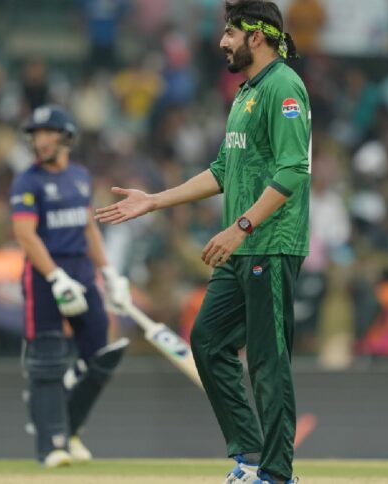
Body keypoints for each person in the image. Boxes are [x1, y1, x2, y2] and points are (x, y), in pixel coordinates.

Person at [96, 2, 309, 483]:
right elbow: (222, 170)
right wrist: (154, 201)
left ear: (257, 36)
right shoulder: (246, 93)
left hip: (270, 243)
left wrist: (241, 226)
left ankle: (277, 475)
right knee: (208, 341)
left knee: (268, 361)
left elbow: (294, 169)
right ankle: (251, 455)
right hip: (242, 247)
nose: (222, 42)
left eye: (230, 32)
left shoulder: (283, 86)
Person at [11, 104, 131, 468]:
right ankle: (51, 445)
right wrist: (55, 278)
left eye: (48, 133)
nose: (41, 140)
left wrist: (109, 273)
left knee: (100, 356)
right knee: (47, 359)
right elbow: (26, 235)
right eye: (36, 134)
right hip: (44, 276)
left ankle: (70, 428)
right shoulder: (27, 181)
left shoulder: (80, 176)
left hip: (82, 271)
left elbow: (88, 227)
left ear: (66, 137)